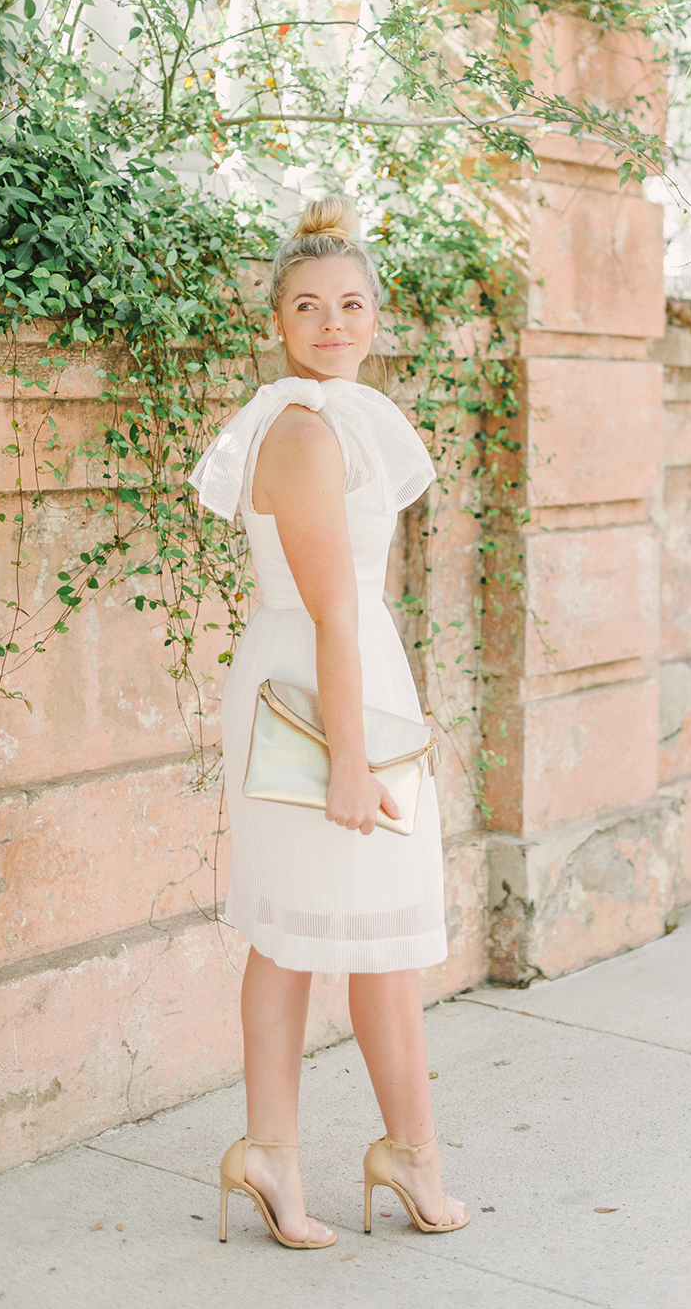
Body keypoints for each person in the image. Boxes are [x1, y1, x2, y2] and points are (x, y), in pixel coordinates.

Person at [190, 194, 469, 1249]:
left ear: (376, 316)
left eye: (352, 303)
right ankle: (281, 1155)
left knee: (373, 936)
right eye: (309, 305)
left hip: (350, 676)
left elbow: (356, 614)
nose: (333, 322)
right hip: (313, 695)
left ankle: (401, 1152)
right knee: (300, 934)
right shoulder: (302, 431)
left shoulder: (343, 416)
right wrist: (350, 760)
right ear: (278, 319)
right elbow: (332, 610)